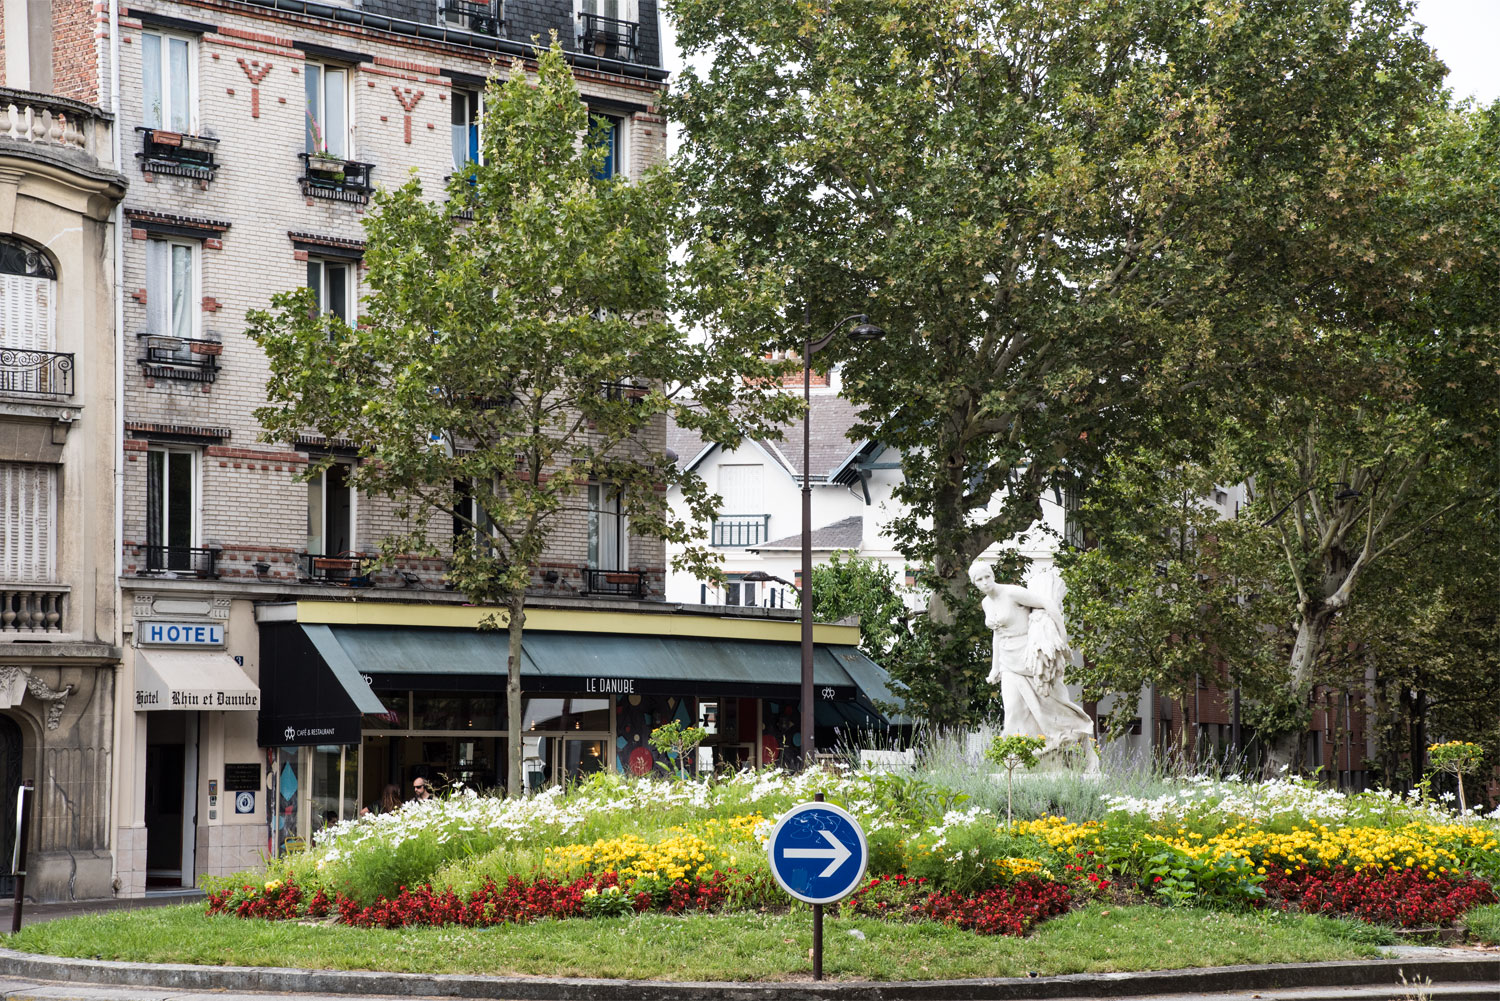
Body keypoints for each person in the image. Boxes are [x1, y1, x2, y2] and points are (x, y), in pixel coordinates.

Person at [969, 560, 1099, 772]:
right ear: (975, 583)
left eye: (987, 576)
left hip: (1031, 658)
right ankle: (1020, 758)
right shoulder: (986, 603)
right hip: (1008, 661)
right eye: (979, 579)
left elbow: (1048, 604)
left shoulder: (1011, 593)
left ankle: (1076, 741)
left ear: (992, 575)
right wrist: (995, 667)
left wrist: (1061, 638)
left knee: (1051, 703)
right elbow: (996, 634)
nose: (985, 582)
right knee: (1012, 709)